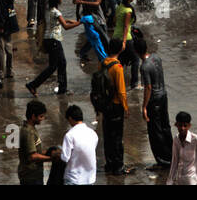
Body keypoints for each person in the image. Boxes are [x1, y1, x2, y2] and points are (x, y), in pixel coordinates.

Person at [27, 0, 79, 96]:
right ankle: (34, 84)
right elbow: (65, 26)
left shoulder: (48, 10)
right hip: (54, 40)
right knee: (53, 66)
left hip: (48, 40)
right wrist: (80, 23)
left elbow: (57, 22)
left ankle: (62, 88)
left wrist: (68, 20)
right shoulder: (56, 12)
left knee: (61, 63)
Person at [95, 38, 131, 175]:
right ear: (119, 49)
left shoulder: (102, 63)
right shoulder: (117, 67)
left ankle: (109, 163)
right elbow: (121, 91)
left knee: (107, 135)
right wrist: (126, 107)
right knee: (117, 137)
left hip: (105, 105)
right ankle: (118, 166)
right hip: (116, 106)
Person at [138, 35, 171, 168]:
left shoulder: (144, 66)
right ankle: (171, 155)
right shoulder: (156, 58)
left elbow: (148, 87)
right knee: (165, 127)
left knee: (155, 131)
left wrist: (144, 106)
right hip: (163, 95)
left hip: (154, 100)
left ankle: (163, 161)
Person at [59, 105, 99, 186]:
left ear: (70, 118)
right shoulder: (93, 133)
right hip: (90, 178)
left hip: (74, 178)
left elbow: (65, 158)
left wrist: (58, 153)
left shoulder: (70, 135)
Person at [166, 111, 197, 185]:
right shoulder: (176, 139)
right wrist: (169, 181)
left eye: (185, 126)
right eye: (180, 125)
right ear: (176, 125)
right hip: (180, 178)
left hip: (192, 180)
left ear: (189, 126)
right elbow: (174, 161)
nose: (182, 128)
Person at [18, 100, 52, 186]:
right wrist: (50, 158)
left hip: (33, 175)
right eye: (41, 116)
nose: (42, 119)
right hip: (31, 176)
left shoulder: (30, 129)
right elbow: (32, 156)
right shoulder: (29, 132)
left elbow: (35, 151)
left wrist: (49, 152)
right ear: (33, 116)